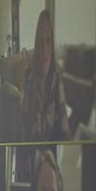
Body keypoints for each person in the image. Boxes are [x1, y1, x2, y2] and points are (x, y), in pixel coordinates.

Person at [22, 9, 70, 142]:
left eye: (48, 41)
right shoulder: (29, 80)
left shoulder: (56, 78)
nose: (44, 49)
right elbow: (23, 129)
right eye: (40, 41)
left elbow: (64, 121)